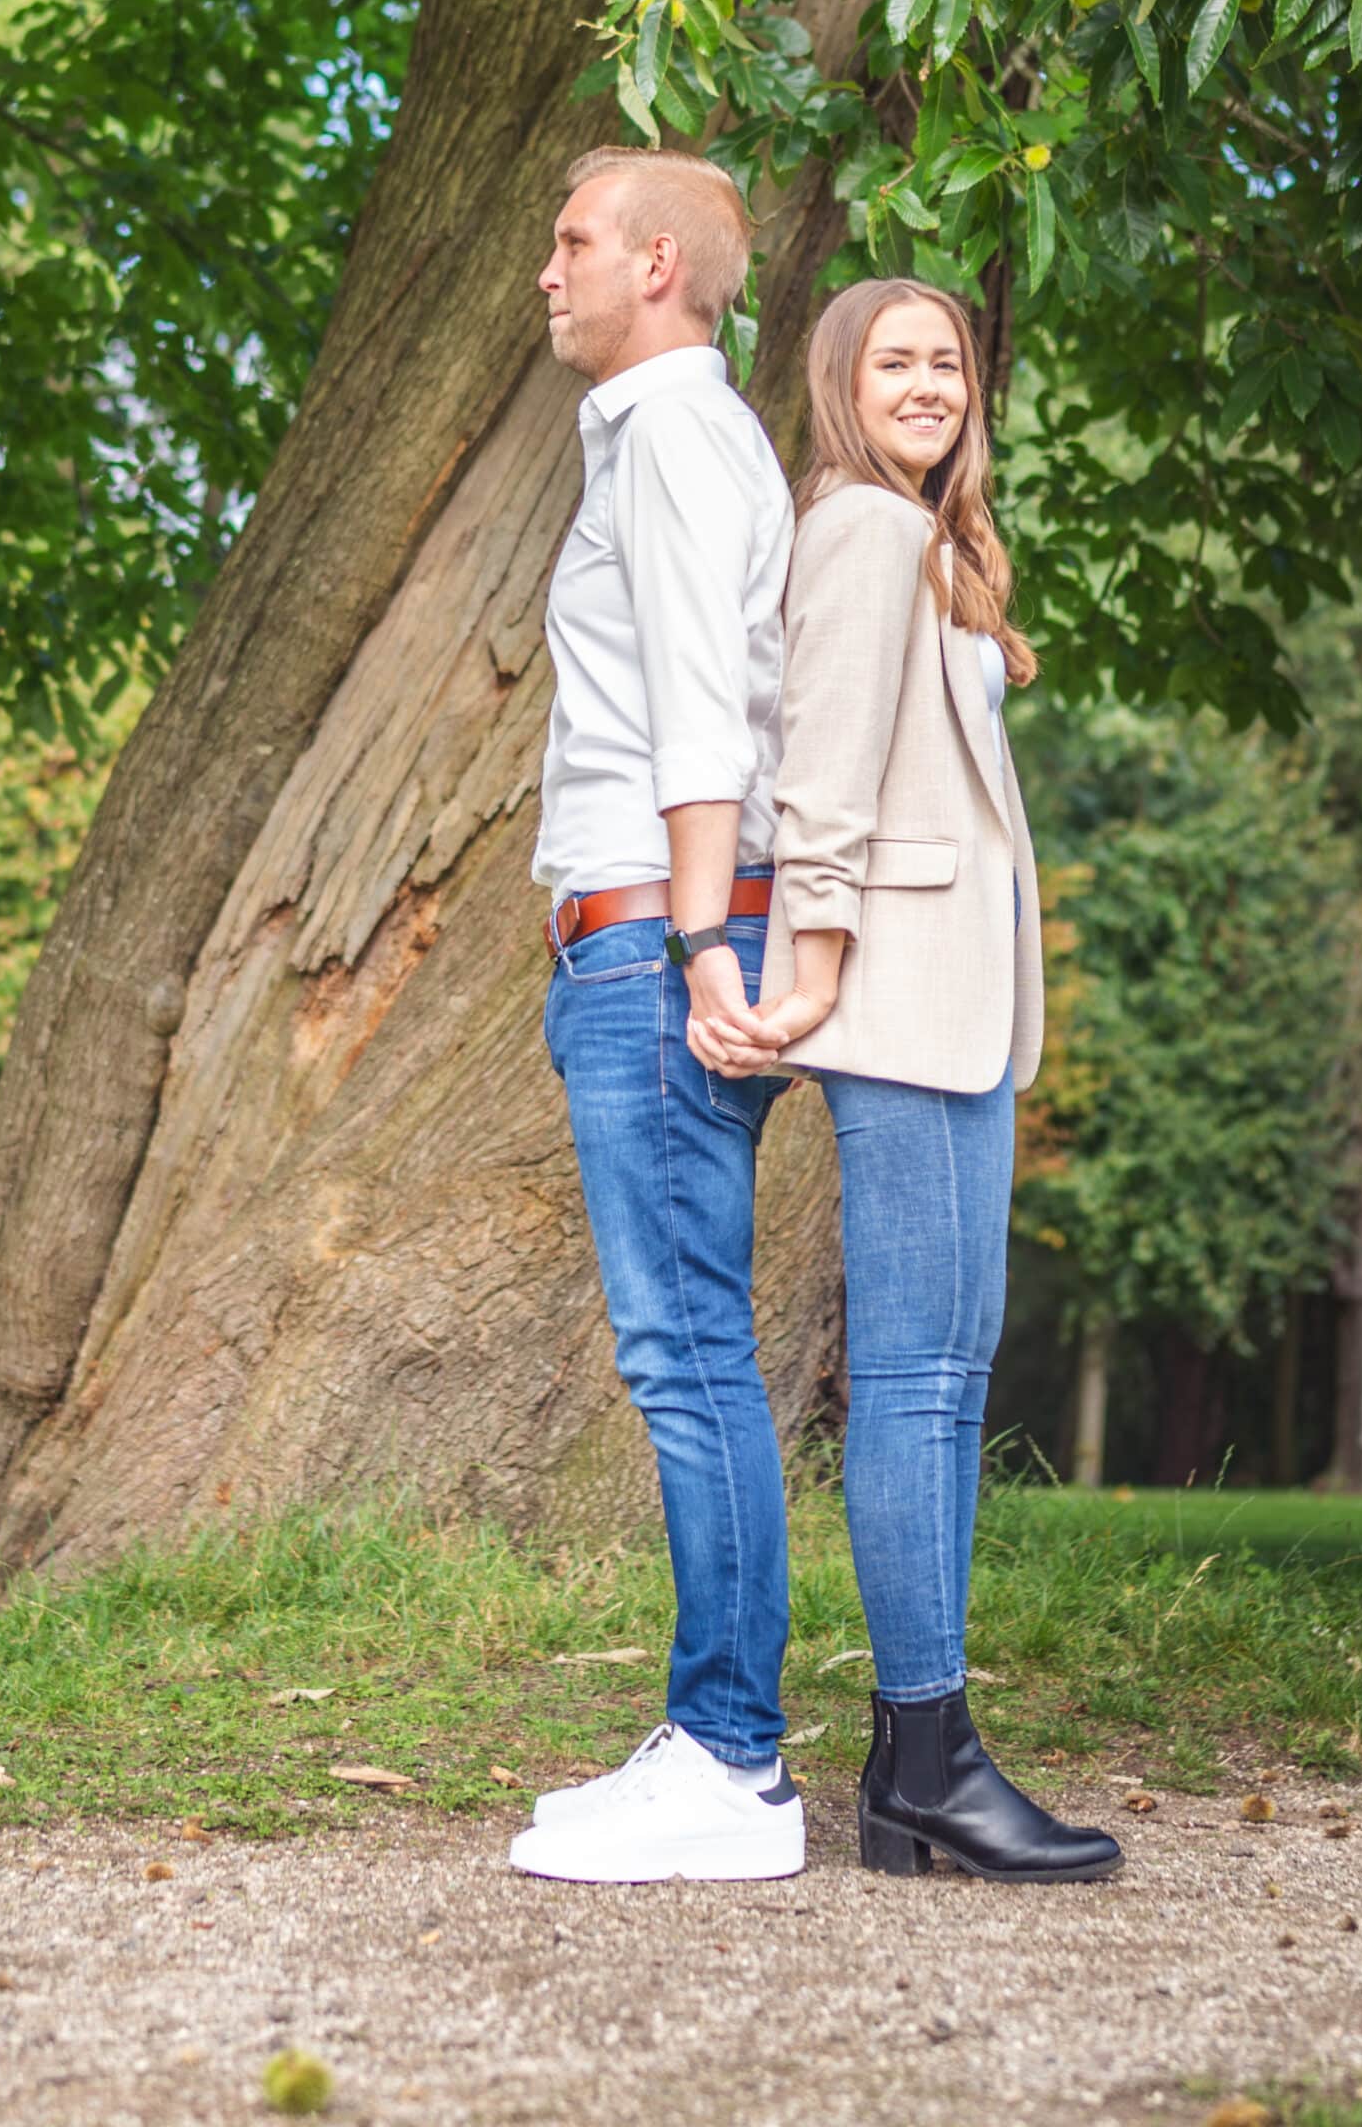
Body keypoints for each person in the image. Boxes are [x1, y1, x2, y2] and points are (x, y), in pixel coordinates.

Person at [741, 274, 1119, 1884]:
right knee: (913, 1379)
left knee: (951, 1375)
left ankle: (930, 1767)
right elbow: (815, 758)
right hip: (891, 999)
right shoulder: (861, 529)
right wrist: (812, 953)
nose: (925, 384)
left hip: (958, 1006)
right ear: (840, 381)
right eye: (892, 361)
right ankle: (922, 1758)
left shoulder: (931, 540)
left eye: (946, 362)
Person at [507, 144, 807, 1886]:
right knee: (686, 1349)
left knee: (688, 1354)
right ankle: (714, 1741)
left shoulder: (683, 433)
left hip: (661, 941)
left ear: (665, 269)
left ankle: (733, 1766)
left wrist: (700, 942)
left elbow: (706, 706)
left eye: (573, 244)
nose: (547, 273)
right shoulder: (650, 436)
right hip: (632, 938)